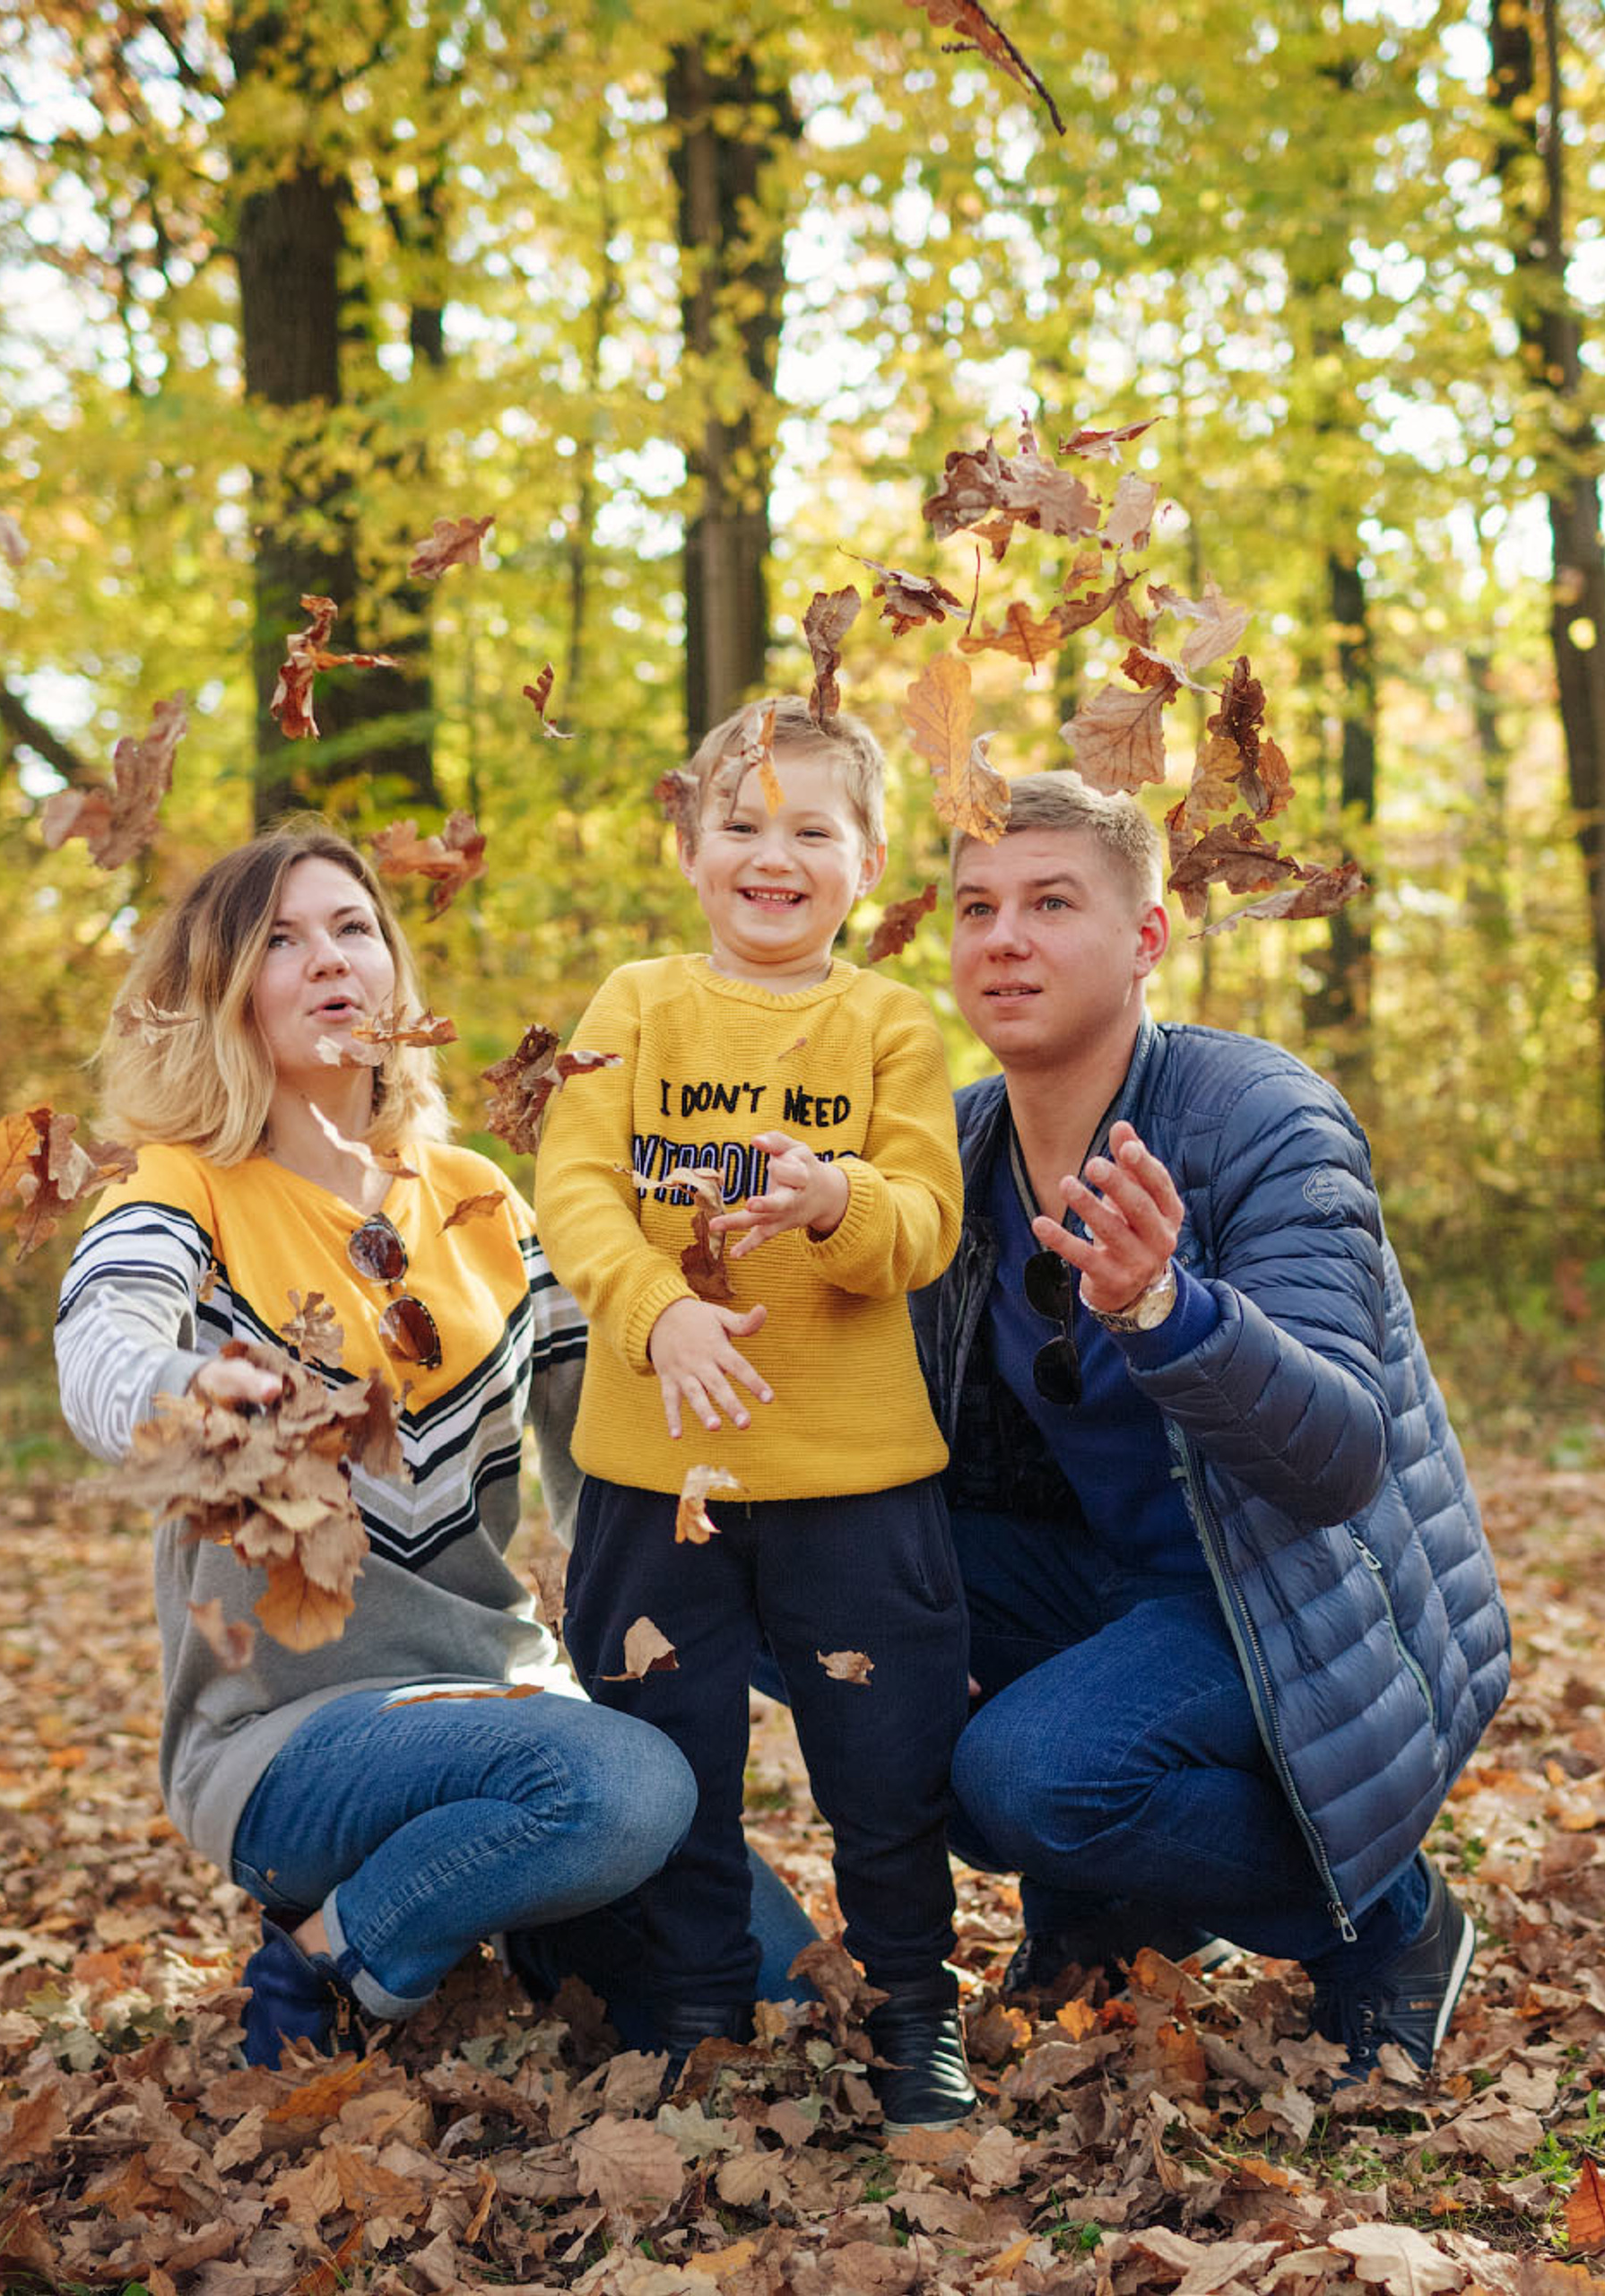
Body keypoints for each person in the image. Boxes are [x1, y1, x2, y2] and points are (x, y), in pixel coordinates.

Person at [52, 822, 811, 2067]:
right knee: (625, 1790)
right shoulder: (174, 1188)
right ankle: (328, 1959)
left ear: (396, 978)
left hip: (510, 1709)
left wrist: (824, 1616)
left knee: (782, 1997)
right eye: (281, 942)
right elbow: (102, 1354)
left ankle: (515, 1917)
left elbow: (620, 1453)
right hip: (285, 1742)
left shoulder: (477, 1199)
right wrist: (194, 1385)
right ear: (225, 995)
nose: (328, 960)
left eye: (354, 929)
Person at [913, 771, 1511, 2083]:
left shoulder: (1260, 1117)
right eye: (975, 907)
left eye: (1051, 902)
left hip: (1297, 1591)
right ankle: (1116, 1910)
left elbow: (1342, 1453)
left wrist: (1166, 1309)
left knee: (1030, 1778)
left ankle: (1392, 1920)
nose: (1003, 936)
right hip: (1103, 1586)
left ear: (1145, 941)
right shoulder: (954, 1154)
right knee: (825, 1607)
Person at [534, 698, 976, 2130]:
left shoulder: (889, 1027)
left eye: (810, 829)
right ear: (688, 847)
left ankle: (915, 2014)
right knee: (675, 1760)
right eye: (739, 823)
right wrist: (657, 1311)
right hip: (653, 1478)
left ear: (866, 862)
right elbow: (577, 1188)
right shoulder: (638, 1005)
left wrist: (834, 1199)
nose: (770, 854)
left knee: (886, 1768)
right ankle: (699, 2011)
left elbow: (926, 1222)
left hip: (852, 1476)